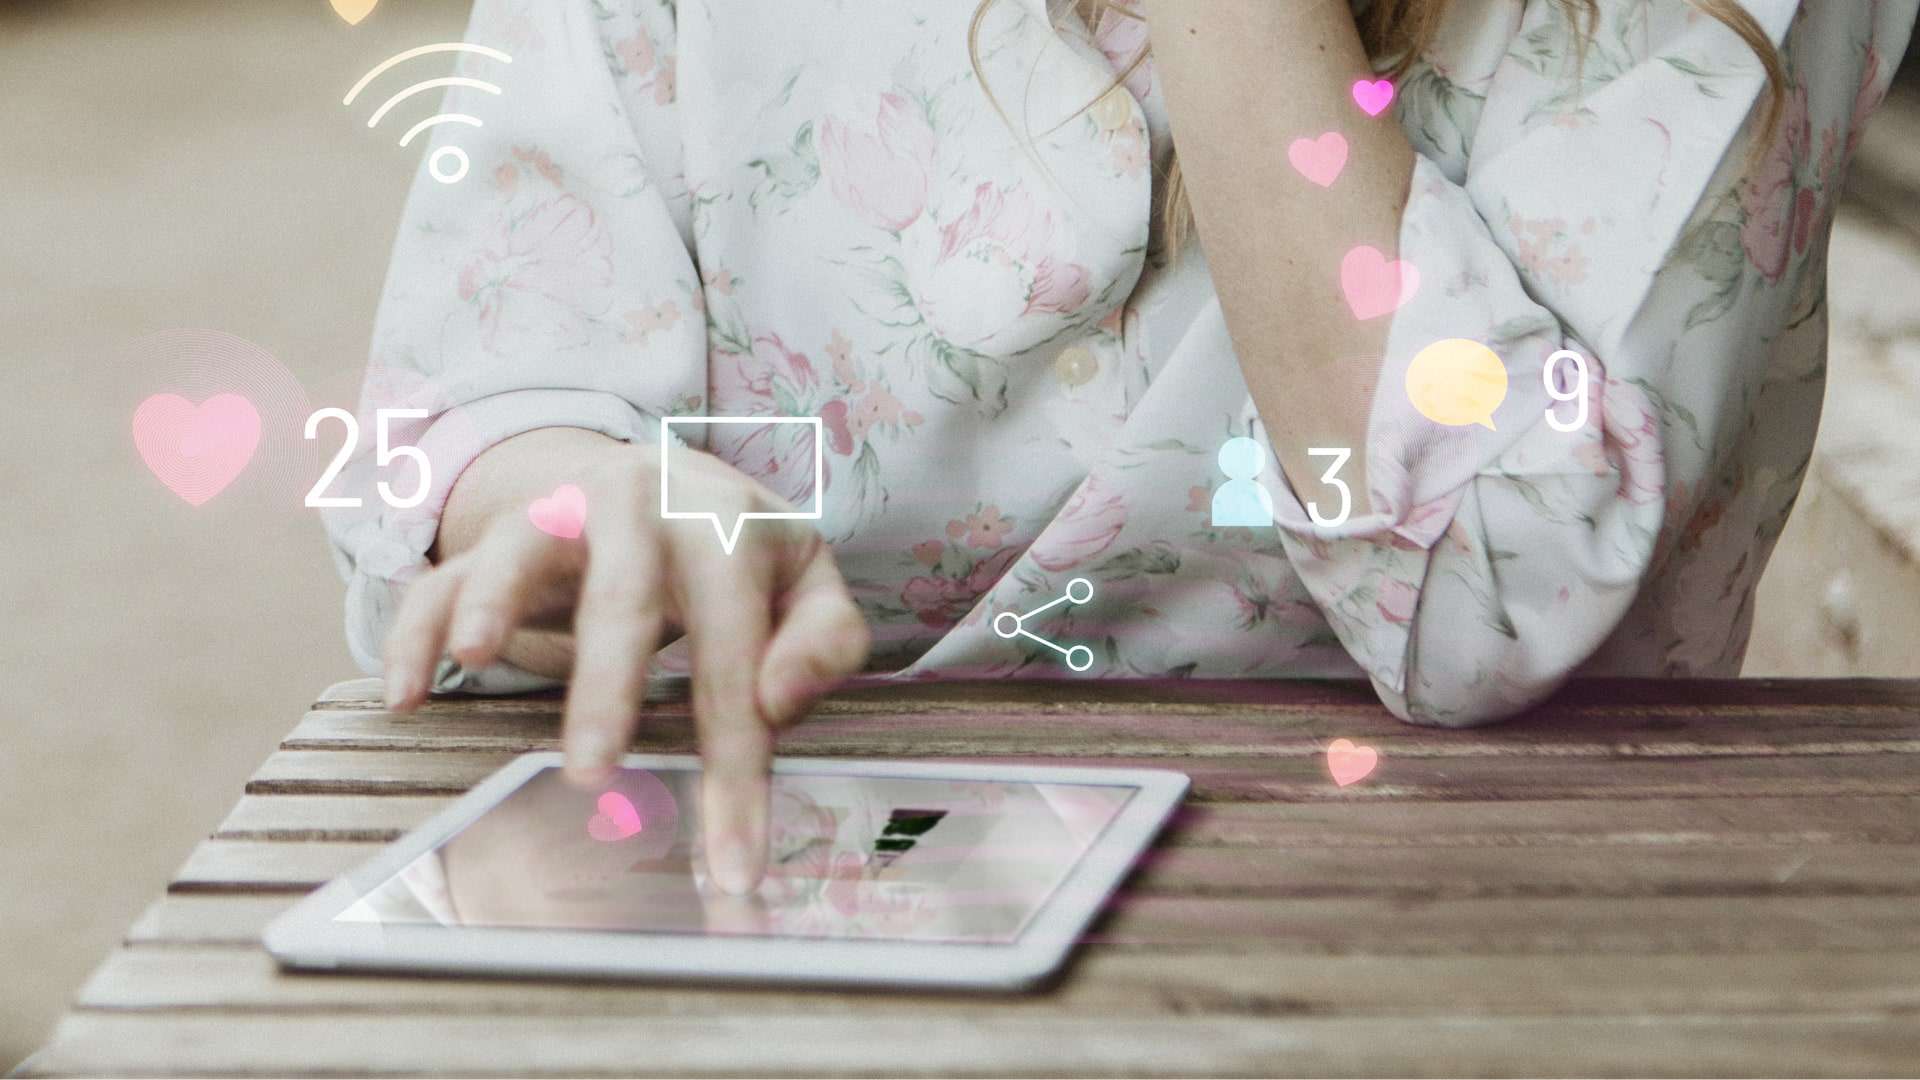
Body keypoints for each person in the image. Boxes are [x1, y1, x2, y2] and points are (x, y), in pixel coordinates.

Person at [326, 0, 1917, 894]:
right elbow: (488, 383)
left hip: (1468, 917)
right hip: (766, 883)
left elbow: (1497, 590)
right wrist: (585, 499)